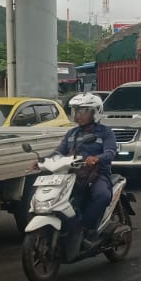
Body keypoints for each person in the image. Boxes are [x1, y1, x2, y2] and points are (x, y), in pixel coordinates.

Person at [52, 92, 118, 248]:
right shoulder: (71, 133)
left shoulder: (105, 132)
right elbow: (59, 151)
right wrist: (42, 161)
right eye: (76, 111)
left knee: (102, 196)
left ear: (95, 112)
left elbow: (110, 152)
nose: (78, 115)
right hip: (72, 175)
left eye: (83, 111)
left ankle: (87, 229)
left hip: (97, 174)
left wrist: (96, 158)